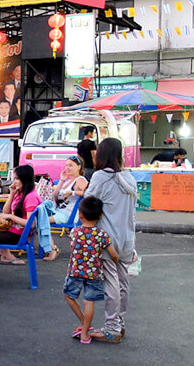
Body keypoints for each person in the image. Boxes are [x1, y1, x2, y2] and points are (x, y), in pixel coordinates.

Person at [84, 138, 137, 343]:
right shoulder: (129, 178)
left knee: (111, 283)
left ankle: (112, 327)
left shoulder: (100, 177)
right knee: (123, 283)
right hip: (127, 238)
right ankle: (119, 324)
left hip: (107, 239)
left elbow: (89, 201)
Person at [64, 196, 119, 344]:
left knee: (69, 296)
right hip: (95, 273)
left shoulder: (74, 232)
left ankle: (83, 324)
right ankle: (85, 333)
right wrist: (117, 262)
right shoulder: (102, 235)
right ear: (100, 216)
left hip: (75, 271)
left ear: (80, 215)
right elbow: (113, 254)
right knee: (89, 302)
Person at [50, 156, 89, 228]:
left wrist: (72, 192)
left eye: (70, 165)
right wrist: (62, 180)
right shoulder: (67, 181)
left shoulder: (80, 180)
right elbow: (55, 196)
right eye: (66, 165)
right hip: (58, 211)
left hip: (67, 215)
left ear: (78, 167)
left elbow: (90, 193)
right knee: (37, 217)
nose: (67, 168)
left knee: (39, 220)